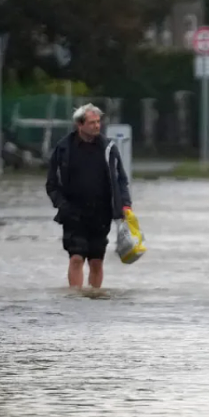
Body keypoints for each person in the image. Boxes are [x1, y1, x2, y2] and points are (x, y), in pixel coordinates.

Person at [45, 103, 132, 289]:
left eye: (98, 122)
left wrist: (125, 205)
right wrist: (62, 205)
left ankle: (94, 296)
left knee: (96, 261)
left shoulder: (109, 148)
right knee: (76, 258)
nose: (97, 126)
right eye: (92, 122)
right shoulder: (63, 149)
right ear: (80, 125)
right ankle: (75, 296)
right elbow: (51, 184)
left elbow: (121, 180)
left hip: (101, 214)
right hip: (73, 213)